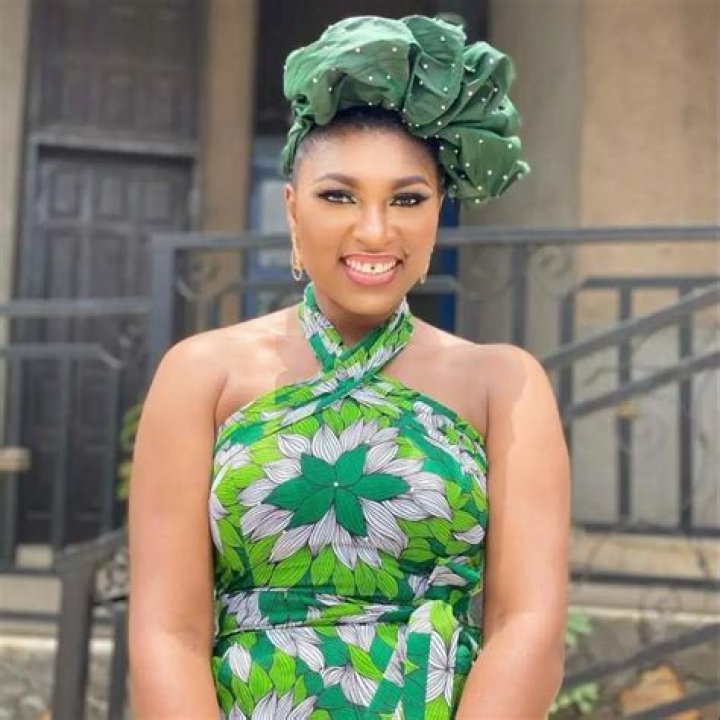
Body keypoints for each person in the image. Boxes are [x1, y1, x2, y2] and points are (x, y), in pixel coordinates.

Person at [128, 14, 569, 720]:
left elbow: (529, 626)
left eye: (407, 199)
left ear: (438, 213)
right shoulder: (202, 374)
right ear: (292, 211)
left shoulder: (503, 384)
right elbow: (166, 633)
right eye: (338, 195)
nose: (374, 230)